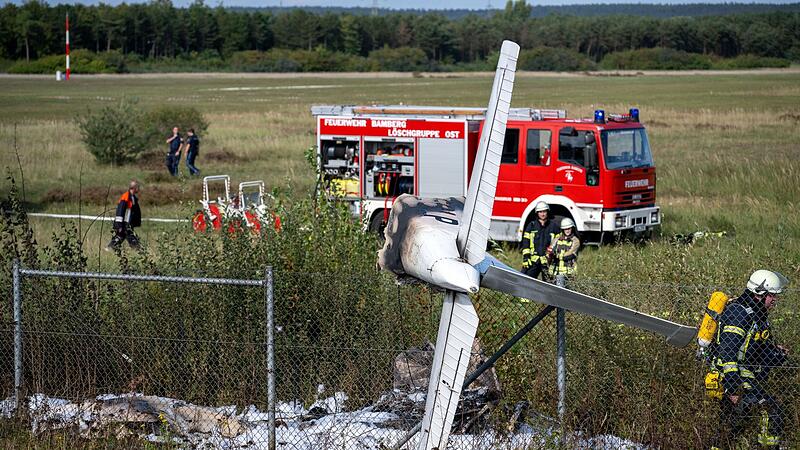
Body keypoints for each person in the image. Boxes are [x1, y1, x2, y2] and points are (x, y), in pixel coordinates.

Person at [711, 270, 790, 448]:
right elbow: (728, 352)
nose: (774, 300)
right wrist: (732, 387)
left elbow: (755, 348)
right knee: (771, 413)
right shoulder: (739, 313)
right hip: (731, 376)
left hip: (743, 374)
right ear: (759, 294)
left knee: (733, 424)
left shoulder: (757, 314)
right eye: (772, 296)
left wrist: (776, 353)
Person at [521, 202, 560, 280]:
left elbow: (558, 243)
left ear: (547, 212)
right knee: (527, 281)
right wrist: (526, 257)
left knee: (548, 285)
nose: (542, 214)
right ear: (537, 213)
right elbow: (526, 243)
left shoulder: (554, 226)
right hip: (533, 260)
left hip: (547, 261)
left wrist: (554, 256)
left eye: (544, 211)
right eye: (540, 212)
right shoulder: (531, 226)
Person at [106, 180, 142, 252]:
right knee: (131, 238)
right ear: (134, 188)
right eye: (138, 187)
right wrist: (119, 225)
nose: (139, 189)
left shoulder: (133, 198)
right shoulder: (126, 197)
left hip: (127, 223)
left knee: (120, 237)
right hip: (124, 223)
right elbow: (120, 211)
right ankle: (139, 251)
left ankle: (109, 249)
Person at [549, 218, 580, 287]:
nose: (567, 230)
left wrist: (557, 256)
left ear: (572, 228)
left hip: (568, 271)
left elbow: (571, 254)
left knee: (564, 292)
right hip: (555, 270)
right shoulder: (557, 239)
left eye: (569, 228)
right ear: (562, 229)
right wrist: (549, 254)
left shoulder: (575, 240)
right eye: (565, 229)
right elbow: (550, 249)